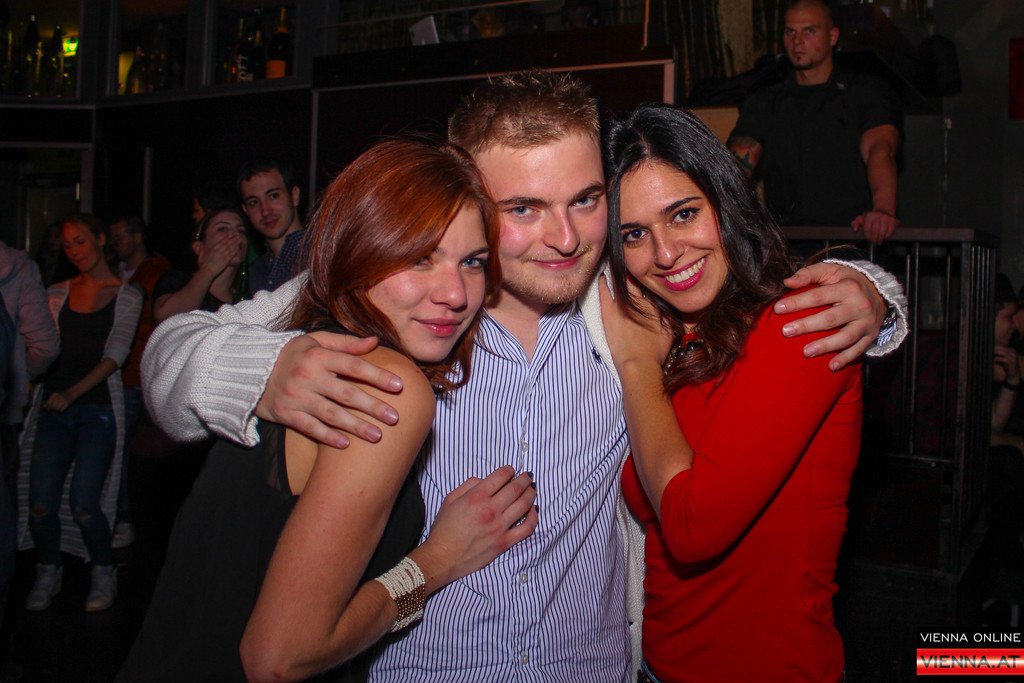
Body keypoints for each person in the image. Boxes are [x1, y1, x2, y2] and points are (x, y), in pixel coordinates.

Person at [143, 72, 907, 680]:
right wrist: (263, 365)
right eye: (524, 208)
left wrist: (869, 290)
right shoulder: (408, 301)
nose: (565, 237)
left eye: (586, 200)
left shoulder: (629, 303)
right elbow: (168, 349)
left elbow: (739, 296)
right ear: (467, 200)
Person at [119, 139, 537, 682]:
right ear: (361, 251)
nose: (456, 294)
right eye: (419, 258)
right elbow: (279, 659)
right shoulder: (385, 384)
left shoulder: (323, 330)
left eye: (472, 262)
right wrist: (436, 562)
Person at [600, 102, 866, 683]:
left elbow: (693, 528)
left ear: (726, 201)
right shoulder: (671, 335)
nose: (665, 254)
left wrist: (636, 365)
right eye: (634, 234)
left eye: (683, 214)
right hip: (655, 666)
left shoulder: (801, 324)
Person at [16, 213, 143, 612]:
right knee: (40, 503)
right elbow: (37, 347)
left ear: (100, 239)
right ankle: (48, 569)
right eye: (68, 245)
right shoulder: (56, 292)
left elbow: (115, 355)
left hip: (97, 410)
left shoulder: (127, 295)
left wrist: (71, 393)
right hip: (53, 410)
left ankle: (103, 570)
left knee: (86, 503)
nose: (74, 251)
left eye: (81, 241)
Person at [728, 0, 901, 245]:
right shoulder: (766, 101)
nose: (797, 41)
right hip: (787, 246)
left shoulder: (865, 92)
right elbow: (737, 164)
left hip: (852, 241)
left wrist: (883, 210)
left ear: (832, 36)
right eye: (790, 32)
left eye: (809, 31)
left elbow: (879, 149)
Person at [108, 215, 172, 548]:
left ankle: (127, 520)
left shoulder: (156, 272)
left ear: (137, 237)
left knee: (131, 453)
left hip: (138, 374)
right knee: (114, 451)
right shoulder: (110, 272)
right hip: (110, 376)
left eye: (120, 236)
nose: (114, 243)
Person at [153, 206, 250, 322]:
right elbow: (167, 319)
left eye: (241, 230)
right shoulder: (177, 280)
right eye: (222, 229)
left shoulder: (246, 297)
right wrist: (208, 270)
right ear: (199, 248)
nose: (236, 235)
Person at [238, 158, 305, 294]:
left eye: (273, 196)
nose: (265, 211)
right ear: (246, 211)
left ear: (294, 196)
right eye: (254, 202)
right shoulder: (255, 271)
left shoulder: (321, 257)